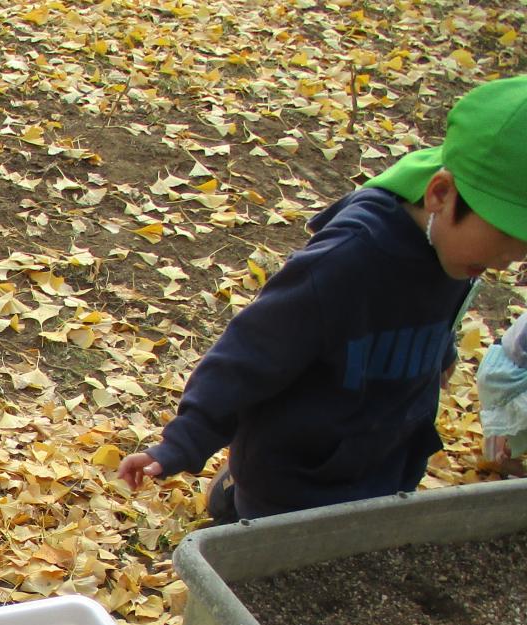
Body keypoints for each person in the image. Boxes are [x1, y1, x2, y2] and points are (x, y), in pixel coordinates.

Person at [117, 75, 527, 521]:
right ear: (441, 194)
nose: (509, 261)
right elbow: (250, 352)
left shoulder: (457, 251)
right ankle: (237, 494)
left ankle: (237, 492)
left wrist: (438, 352)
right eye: (505, 239)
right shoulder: (345, 263)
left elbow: (432, 308)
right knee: (277, 559)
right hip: (298, 474)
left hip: (386, 456)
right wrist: (185, 439)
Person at [479, 311, 527, 473]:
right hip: (510, 379)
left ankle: (499, 455)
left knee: (508, 429)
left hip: (498, 370)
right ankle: (502, 457)